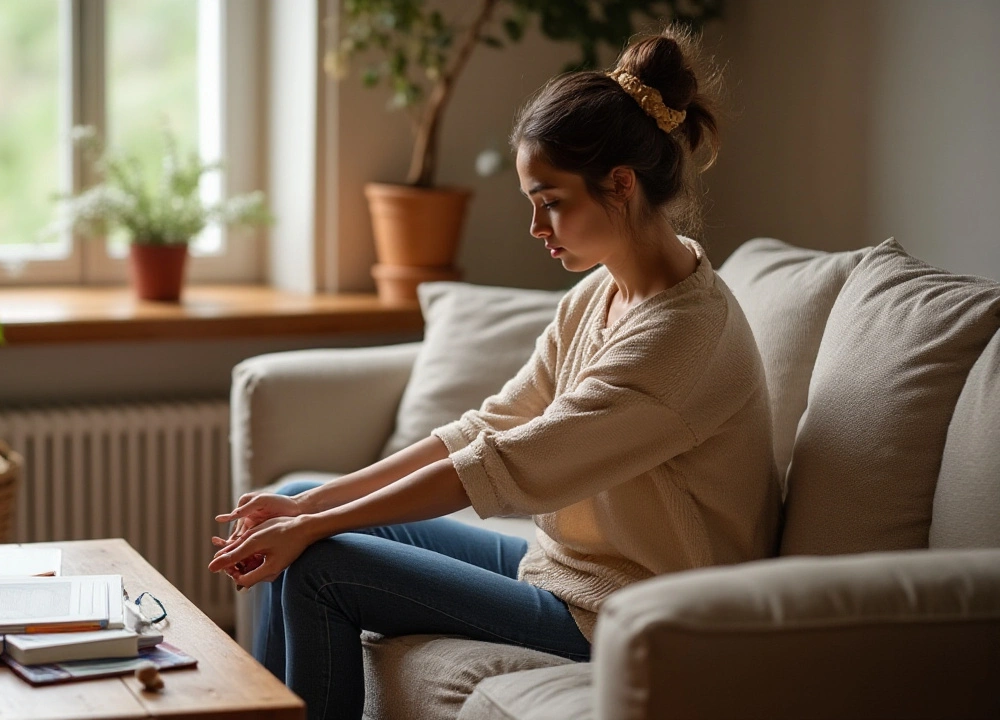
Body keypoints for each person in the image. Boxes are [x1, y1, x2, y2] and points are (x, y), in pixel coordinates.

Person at [208, 27, 781, 720]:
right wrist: (306, 508)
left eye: (552, 202)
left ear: (620, 185)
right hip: (567, 575)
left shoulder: (681, 339)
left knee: (321, 568)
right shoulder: (603, 293)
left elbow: (502, 464)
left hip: (627, 616)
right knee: (298, 492)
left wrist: (311, 528)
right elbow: (491, 423)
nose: (537, 227)